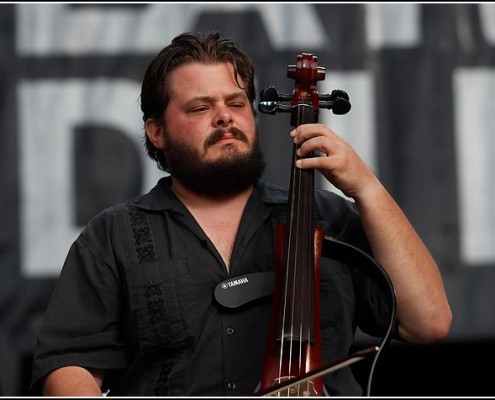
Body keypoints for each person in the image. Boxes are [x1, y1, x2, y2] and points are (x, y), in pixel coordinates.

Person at [30, 31, 452, 397]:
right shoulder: (113, 234)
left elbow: (428, 322)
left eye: (236, 103)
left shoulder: (328, 218)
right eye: (200, 108)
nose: (225, 117)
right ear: (156, 131)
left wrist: (368, 189)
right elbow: (68, 366)